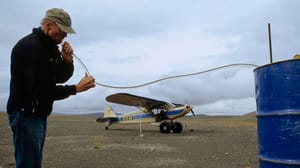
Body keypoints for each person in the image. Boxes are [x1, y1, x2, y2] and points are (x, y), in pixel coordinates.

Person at [7, 8, 95, 168]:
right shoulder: (31, 48)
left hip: (37, 114)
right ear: (48, 25)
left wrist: (67, 62)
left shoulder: (51, 46)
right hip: (25, 114)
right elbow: (40, 91)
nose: (64, 36)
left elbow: (58, 78)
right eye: (62, 31)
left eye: (66, 33)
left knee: (33, 161)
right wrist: (76, 88)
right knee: (29, 163)